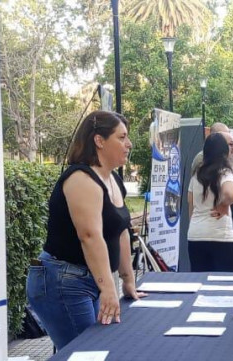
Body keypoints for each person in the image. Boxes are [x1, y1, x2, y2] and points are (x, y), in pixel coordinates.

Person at [27, 111, 146, 349]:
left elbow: (121, 231)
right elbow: (90, 237)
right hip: (64, 280)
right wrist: (108, 288)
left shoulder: (113, 179)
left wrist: (128, 280)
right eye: (121, 137)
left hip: (87, 279)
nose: (129, 144)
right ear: (99, 141)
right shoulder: (81, 178)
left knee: (88, 349)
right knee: (87, 352)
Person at [187, 133, 233, 271]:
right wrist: (222, 204)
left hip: (196, 234)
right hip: (220, 235)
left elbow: (190, 206)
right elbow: (230, 194)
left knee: (199, 282)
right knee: (225, 284)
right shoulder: (225, 173)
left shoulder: (196, 175)